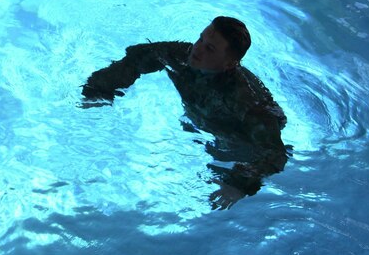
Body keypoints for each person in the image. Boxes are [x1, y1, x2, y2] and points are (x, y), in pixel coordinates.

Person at [81, 17, 288, 210]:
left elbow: (275, 154)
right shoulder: (184, 56)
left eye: (210, 48)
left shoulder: (246, 101)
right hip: (202, 118)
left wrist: (239, 185)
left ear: (229, 63)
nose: (197, 48)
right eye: (201, 38)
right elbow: (139, 57)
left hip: (237, 140)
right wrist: (99, 90)